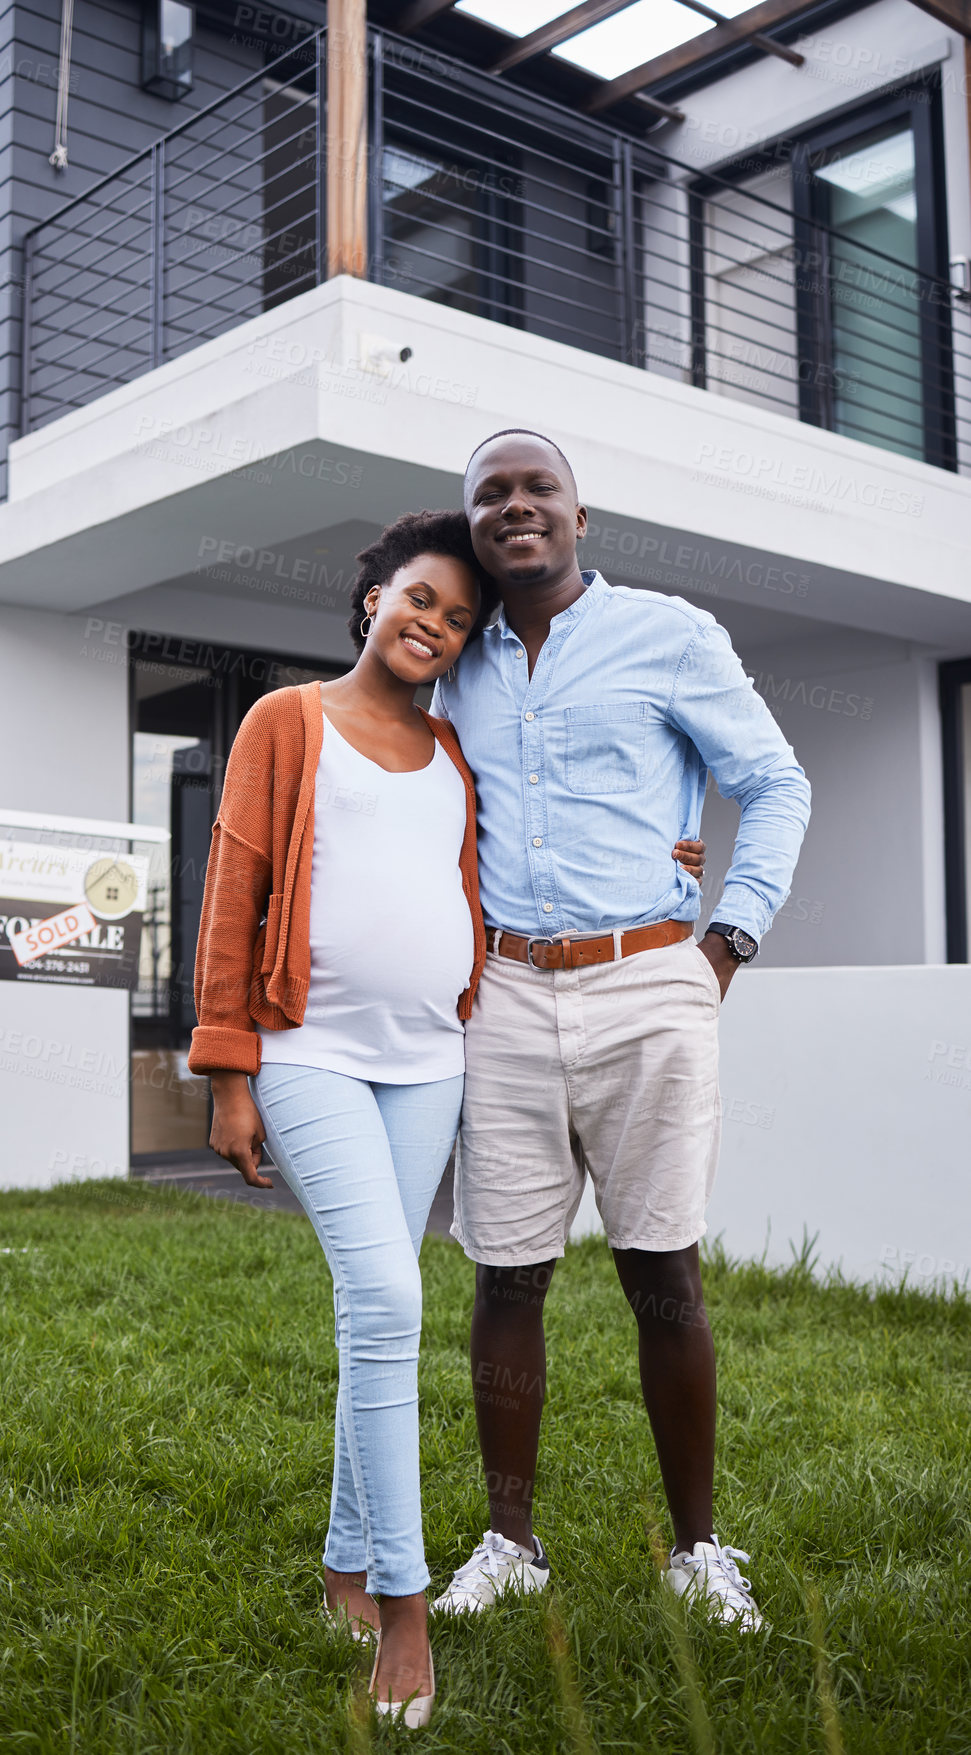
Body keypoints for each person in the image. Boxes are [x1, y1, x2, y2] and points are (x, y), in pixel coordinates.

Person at [188, 508, 706, 1725]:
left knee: (376, 1306)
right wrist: (226, 1073)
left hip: (430, 1063)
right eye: (419, 598)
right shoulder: (286, 722)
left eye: (458, 618)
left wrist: (676, 870)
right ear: (372, 598)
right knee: (387, 1299)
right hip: (308, 1054)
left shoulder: (453, 756)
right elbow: (232, 891)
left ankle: (339, 1563)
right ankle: (404, 1610)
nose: (435, 624)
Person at [429, 429, 811, 1633]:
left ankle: (697, 1549)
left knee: (662, 1272)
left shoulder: (670, 634)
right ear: (474, 526)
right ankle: (509, 1539)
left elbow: (776, 779)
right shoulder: (451, 661)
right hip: (502, 992)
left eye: (536, 487)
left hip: (649, 981)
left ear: (578, 516)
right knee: (506, 1272)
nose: (514, 507)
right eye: (490, 495)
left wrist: (726, 937)